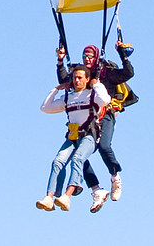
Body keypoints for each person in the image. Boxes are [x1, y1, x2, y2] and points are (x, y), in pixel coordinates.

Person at [56, 42, 134, 212]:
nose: (87, 59)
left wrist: (123, 54)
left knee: (104, 146)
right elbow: (64, 80)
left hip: (105, 115)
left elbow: (128, 73)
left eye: (90, 56)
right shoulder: (81, 74)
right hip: (87, 119)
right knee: (78, 154)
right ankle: (96, 190)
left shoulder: (105, 72)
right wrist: (60, 62)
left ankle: (115, 178)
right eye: (84, 56)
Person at [36, 65, 110, 212]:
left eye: (80, 78)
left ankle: (67, 196)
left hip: (89, 136)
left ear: (86, 79)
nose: (76, 81)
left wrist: (97, 84)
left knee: (77, 159)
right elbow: (45, 108)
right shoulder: (68, 97)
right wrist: (56, 89)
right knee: (57, 161)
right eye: (75, 78)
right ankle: (49, 197)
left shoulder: (92, 95)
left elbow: (105, 100)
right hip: (72, 137)